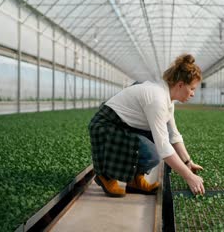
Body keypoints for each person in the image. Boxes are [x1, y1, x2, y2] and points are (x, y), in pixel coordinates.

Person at [88, 54, 205, 197]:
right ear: (180, 85)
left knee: (156, 141)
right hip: (106, 126)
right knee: (153, 153)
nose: (193, 94)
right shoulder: (157, 99)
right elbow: (164, 149)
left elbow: (173, 135)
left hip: (124, 125)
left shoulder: (167, 98)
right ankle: (106, 175)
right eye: (192, 88)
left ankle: (135, 181)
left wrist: (188, 162)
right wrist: (189, 177)